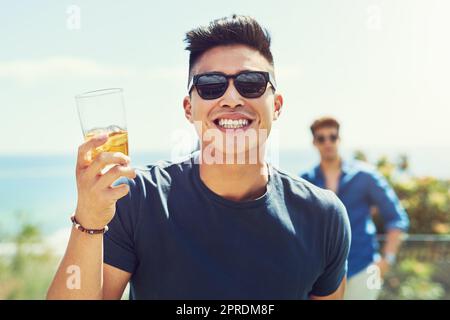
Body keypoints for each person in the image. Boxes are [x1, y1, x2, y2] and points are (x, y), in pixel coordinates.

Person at [47, 15, 351, 300]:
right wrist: (88, 220)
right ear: (189, 108)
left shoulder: (323, 217)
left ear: (278, 105)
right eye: (210, 86)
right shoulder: (137, 199)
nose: (232, 99)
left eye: (251, 83)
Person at [300, 116, 409, 300]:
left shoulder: (365, 176)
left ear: (339, 139)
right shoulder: (305, 181)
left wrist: (386, 261)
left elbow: (397, 218)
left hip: (364, 269)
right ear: (314, 142)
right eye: (321, 138)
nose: (328, 143)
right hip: (320, 275)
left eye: (332, 137)